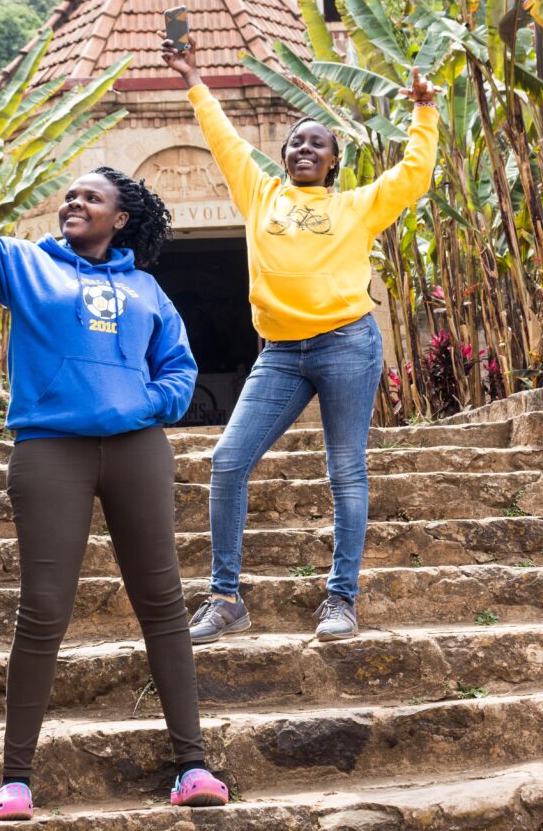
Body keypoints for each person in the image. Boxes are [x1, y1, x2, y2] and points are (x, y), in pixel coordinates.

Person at [0, 82, 229, 819]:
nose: (72, 204)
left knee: (161, 604)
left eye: (89, 198)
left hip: (136, 452)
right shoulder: (25, 266)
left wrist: (138, 405)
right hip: (49, 451)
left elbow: (180, 375)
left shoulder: (149, 293)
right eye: (68, 196)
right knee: (43, 608)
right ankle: (16, 778)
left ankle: (193, 767)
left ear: (119, 219)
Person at [162, 35, 440, 644]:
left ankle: (341, 600)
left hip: (347, 343)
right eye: (296, 142)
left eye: (318, 142)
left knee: (345, 471)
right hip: (280, 355)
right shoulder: (259, 193)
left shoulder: (357, 207)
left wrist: (424, 112)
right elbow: (223, 139)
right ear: (283, 157)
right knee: (228, 462)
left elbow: (414, 174)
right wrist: (192, 79)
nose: (305, 147)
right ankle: (226, 598)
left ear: (333, 161)